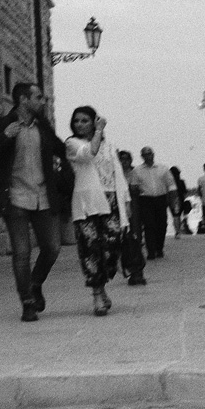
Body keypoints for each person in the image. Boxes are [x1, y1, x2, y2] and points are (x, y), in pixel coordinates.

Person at [0, 82, 71, 323]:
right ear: (24, 100)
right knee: (22, 252)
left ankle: (35, 283)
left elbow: (62, 150)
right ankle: (27, 302)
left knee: (52, 247)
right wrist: (4, 138)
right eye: (38, 97)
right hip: (14, 197)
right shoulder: (0, 126)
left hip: (43, 197)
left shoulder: (43, 128)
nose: (43, 102)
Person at [64, 106, 132, 317]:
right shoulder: (72, 143)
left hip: (111, 201)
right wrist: (99, 131)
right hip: (88, 203)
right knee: (90, 249)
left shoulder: (110, 146)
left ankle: (104, 283)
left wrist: (126, 200)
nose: (80, 124)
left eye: (85, 120)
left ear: (93, 121)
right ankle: (97, 294)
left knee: (112, 247)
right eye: (77, 121)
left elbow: (117, 173)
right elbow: (88, 153)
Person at [130, 147, 175, 260]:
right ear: (142, 156)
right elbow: (133, 186)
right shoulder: (137, 170)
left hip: (161, 199)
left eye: (149, 154)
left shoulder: (163, 169)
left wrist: (173, 199)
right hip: (146, 200)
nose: (148, 156)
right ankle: (151, 250)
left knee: (161, 224)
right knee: (149, 225)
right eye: (145, 154)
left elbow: (171, 184)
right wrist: (136, 190)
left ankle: (159, 248)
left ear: (153, 155)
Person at [115, 150, 148, 285]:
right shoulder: (115, 173)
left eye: (127, 159)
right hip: (118, 210)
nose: (124, 162)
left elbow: (140, 190)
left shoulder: (135, 173)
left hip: (133, 209)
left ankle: (137, 271)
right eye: (121, 159)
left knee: (135, 239)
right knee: (123, 242)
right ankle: (128, 269)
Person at [169, 165, 193, 236]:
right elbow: (185, 192)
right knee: (178, 216)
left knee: (175, 216)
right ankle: (178, 230)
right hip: (181, 200)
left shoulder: (170, 183)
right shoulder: (181, 182)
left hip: (173, 200)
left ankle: (177, 231)